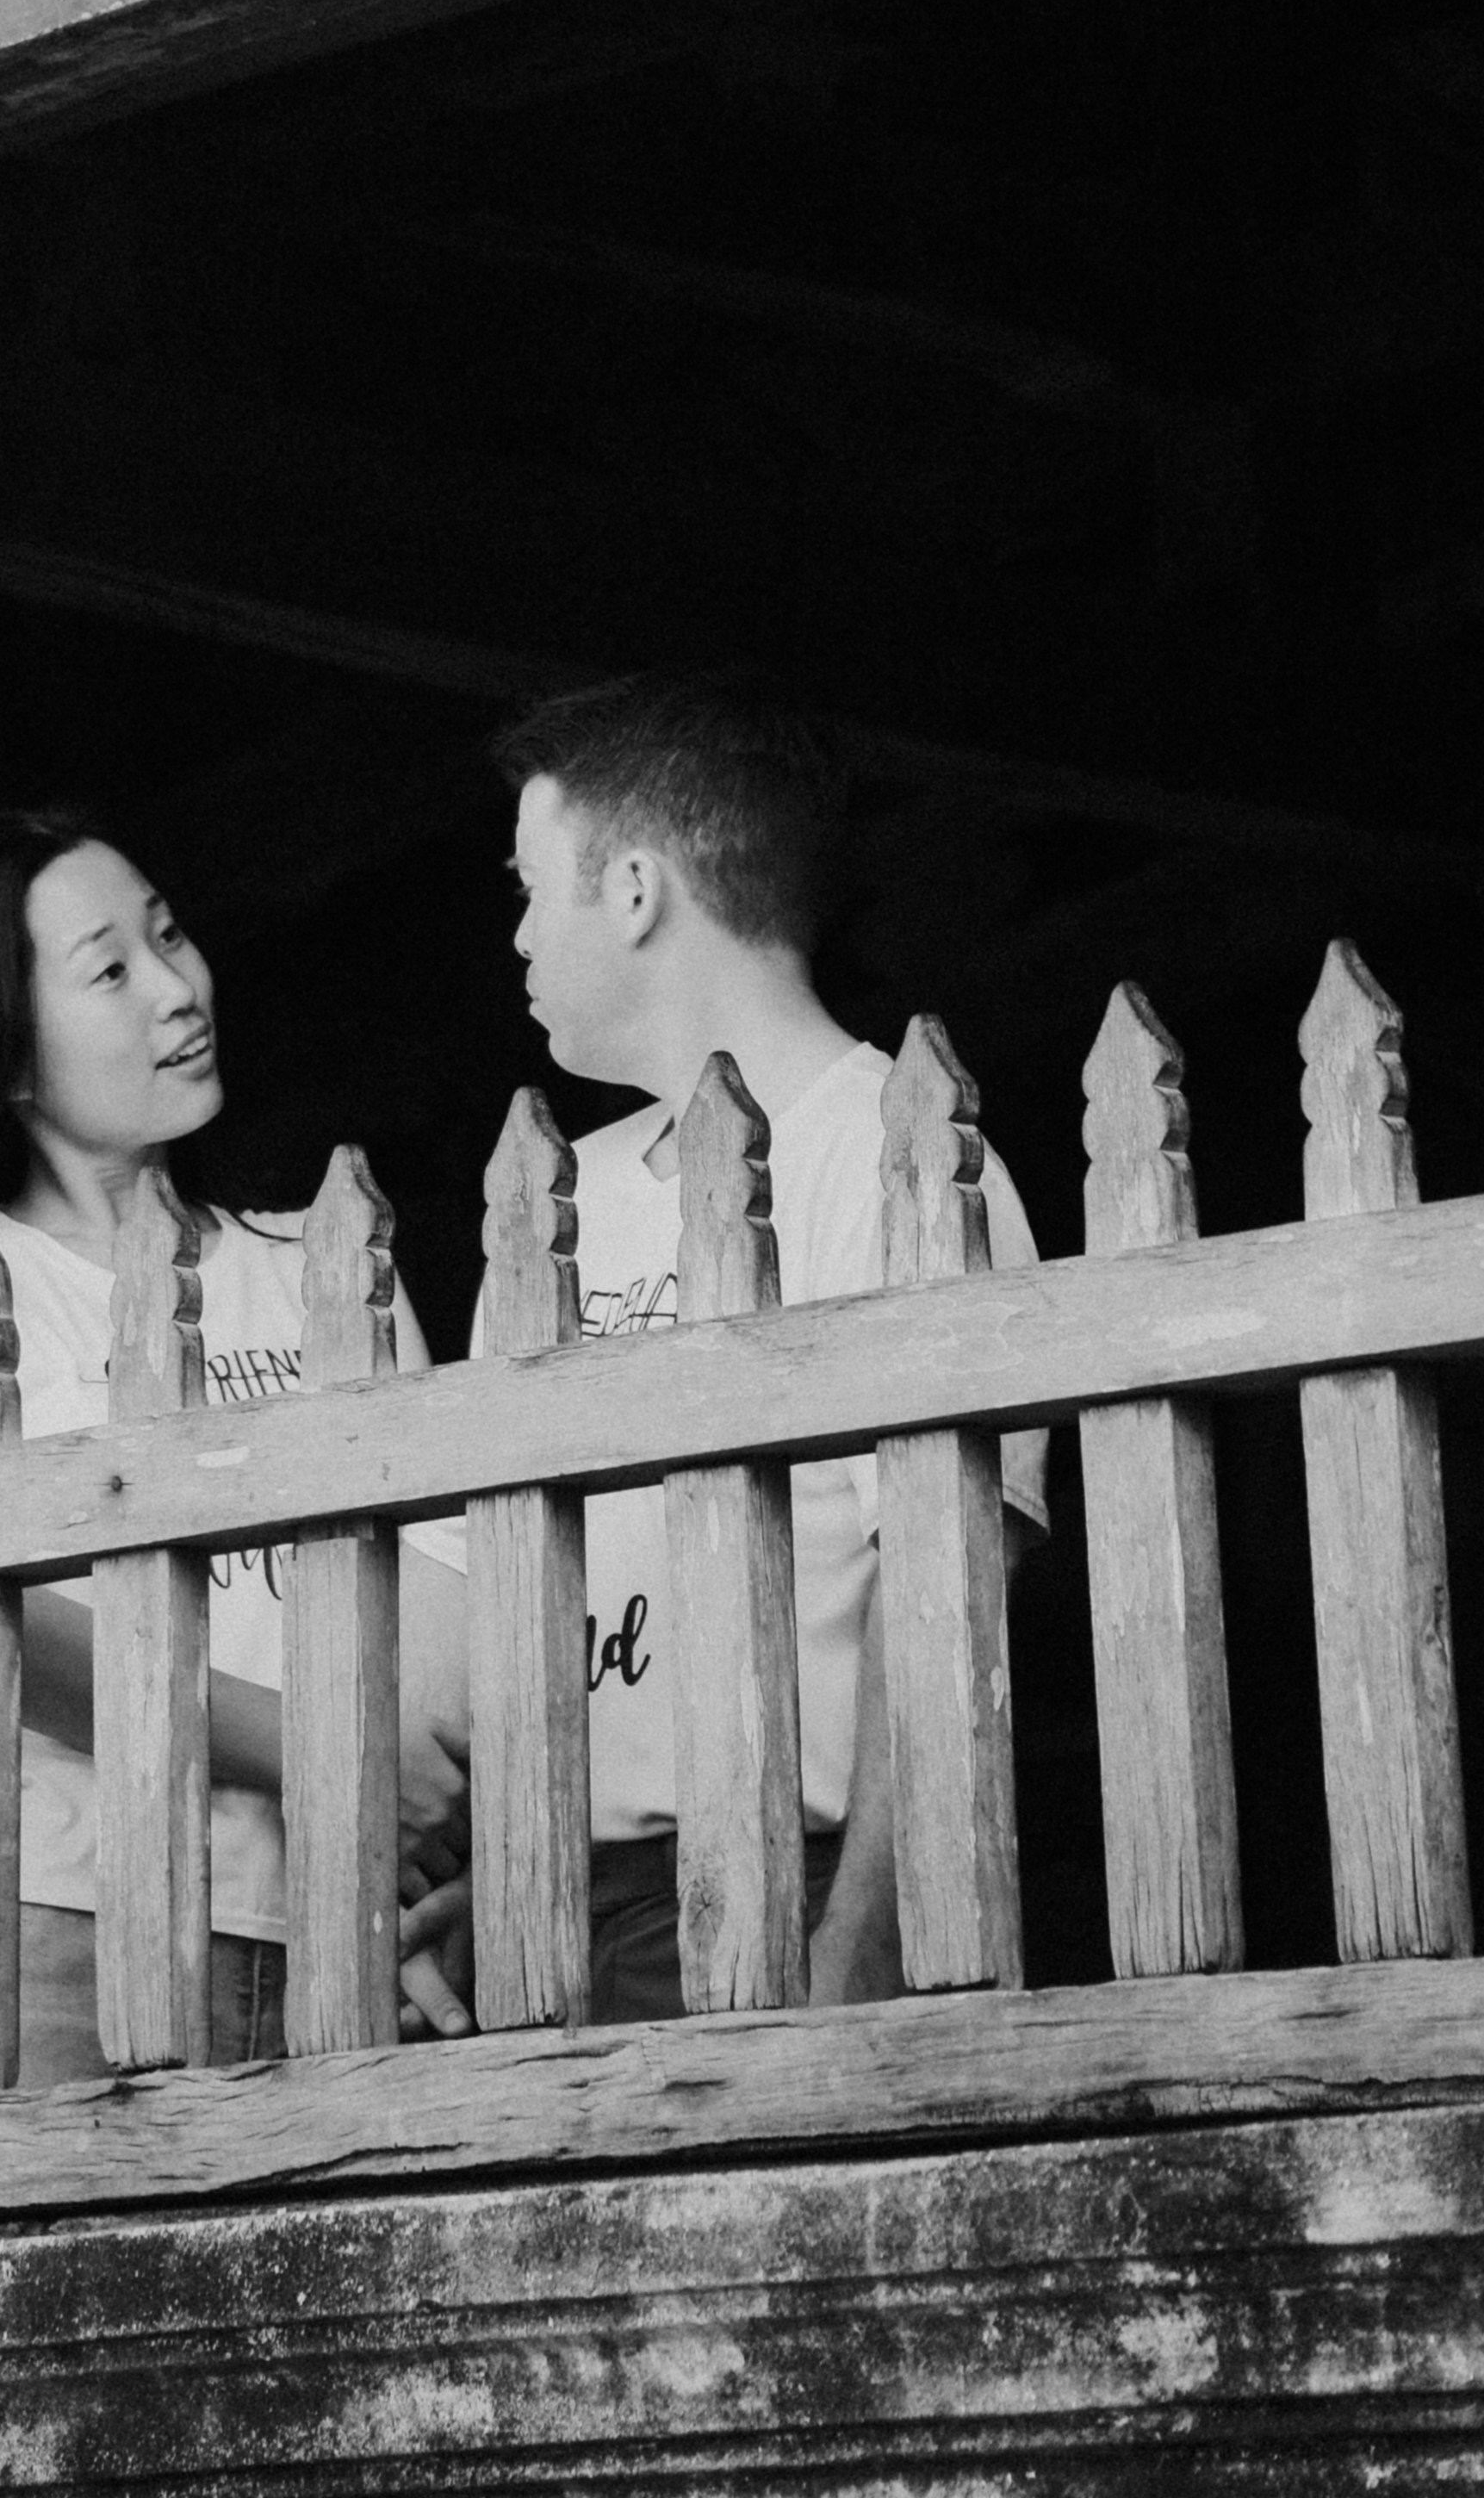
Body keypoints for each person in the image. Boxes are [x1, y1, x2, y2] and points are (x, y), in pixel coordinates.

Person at [403, 674, 1050, 2028]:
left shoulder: (894, 1152)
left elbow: (939, 1595)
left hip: (789, 1890)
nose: (515, 937)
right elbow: (483, 1610)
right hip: (554, 1919)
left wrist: (861, 1934)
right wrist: (507, 1875)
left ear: (634, 888)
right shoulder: (552, 1200)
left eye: (531, 887)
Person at [0, 805, 469, 2086]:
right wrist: (327, 1753)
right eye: (112, 970)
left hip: (359, 1930)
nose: (179, 991)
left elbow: (444, 1581)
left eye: (170, 937)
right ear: (3, 1047)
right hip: (60, 1931)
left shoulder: (325, 1268)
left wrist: (416, 1822)